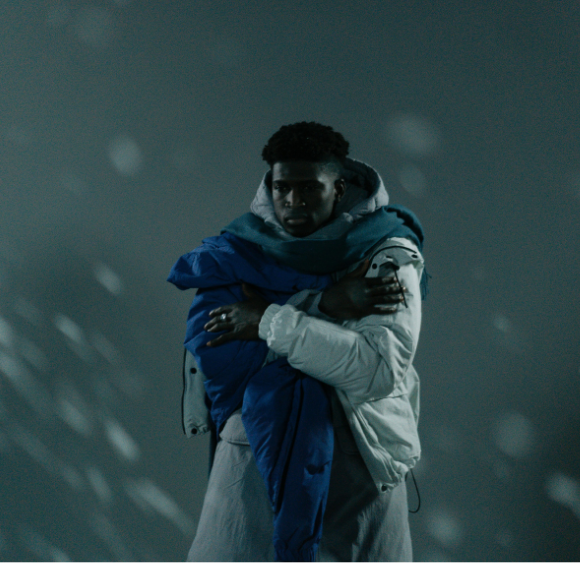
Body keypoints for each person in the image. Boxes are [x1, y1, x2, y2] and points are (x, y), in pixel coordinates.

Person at [168, 122, 426, 561]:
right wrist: (327, 305)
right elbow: (223, 350)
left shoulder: (388, 256)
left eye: (310, 188)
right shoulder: (237, 250)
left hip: (357, 467)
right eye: (283, 187)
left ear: (339, 188)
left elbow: (374, 371)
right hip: (251, 468)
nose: (293, 201)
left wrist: (267, 319)